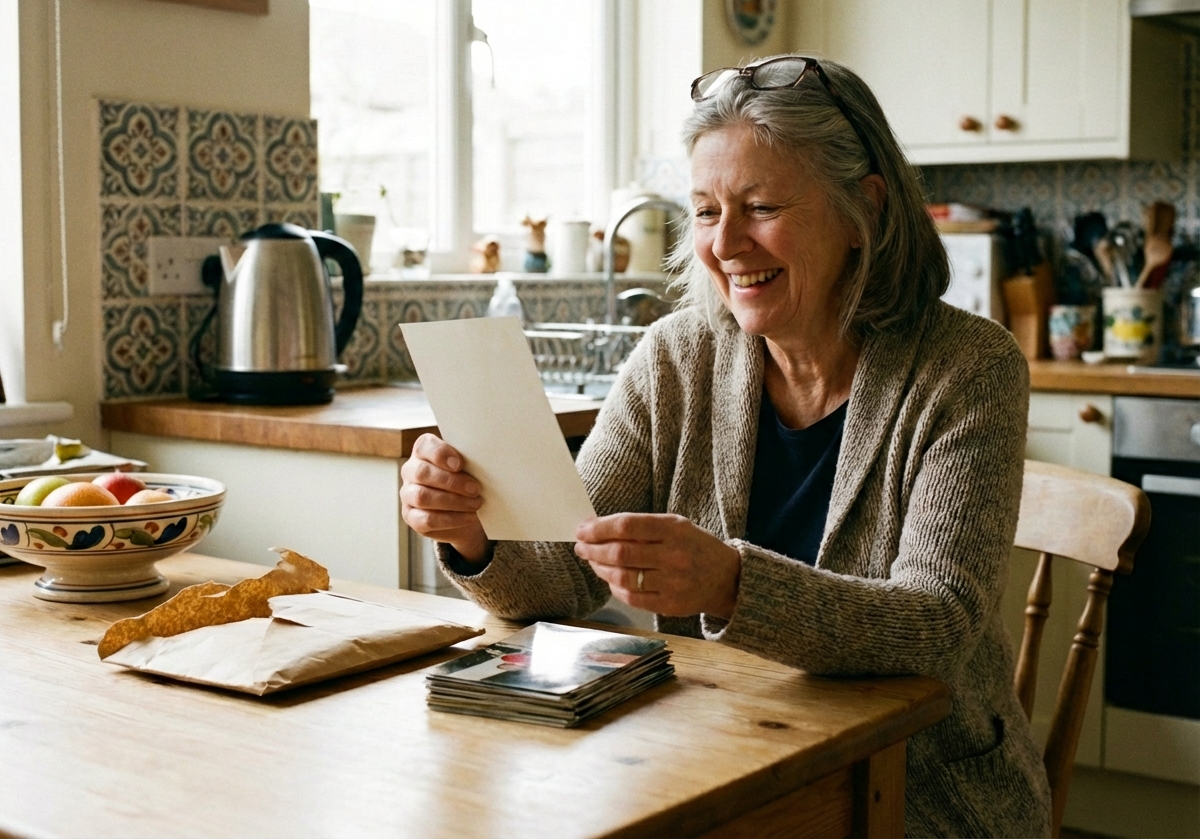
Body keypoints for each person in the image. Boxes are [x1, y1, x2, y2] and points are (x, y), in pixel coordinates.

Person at [400, 55, 1052, 837]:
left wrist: (732, 585)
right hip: (714, 764)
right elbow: (560, 580)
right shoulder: (674, 359)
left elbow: (938, 624)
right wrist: (471, 534)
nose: (727, 243)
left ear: (862, 211)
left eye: (762, 205)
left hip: (919, 792)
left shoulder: (968, 369)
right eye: (706, 211)